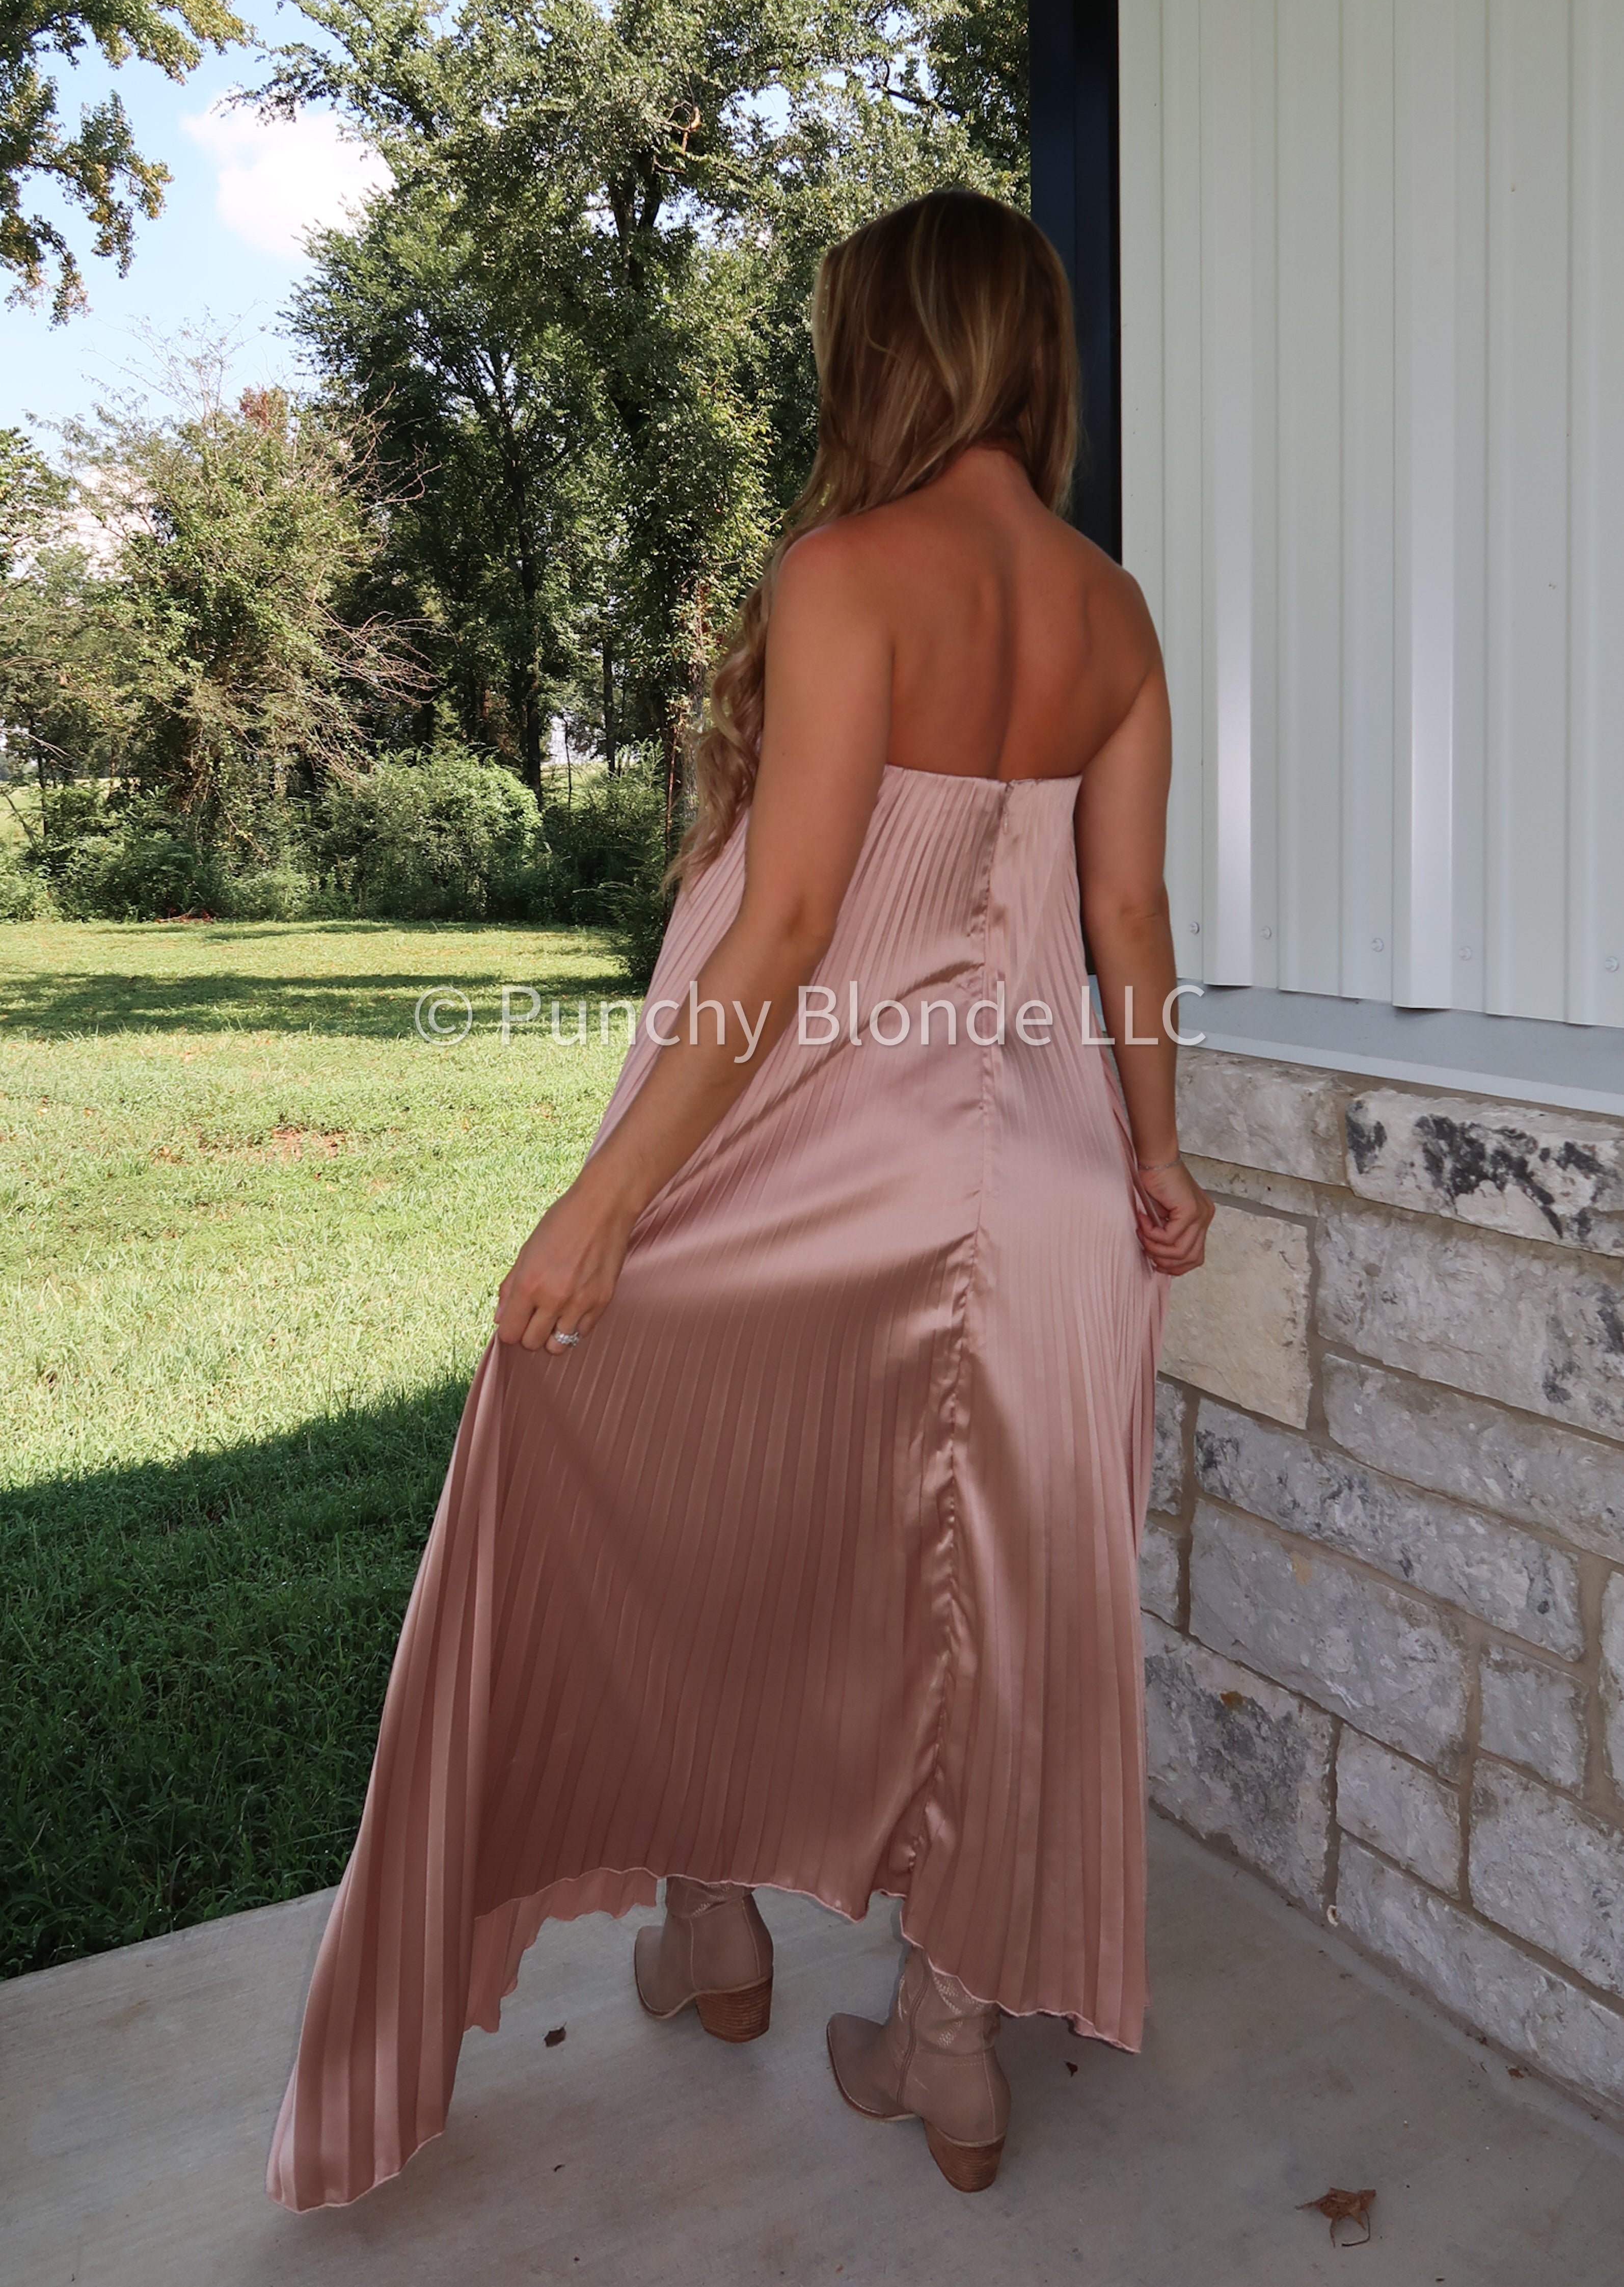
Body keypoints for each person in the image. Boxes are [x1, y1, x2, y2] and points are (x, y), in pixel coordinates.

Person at [266, 187, 1212, 2213]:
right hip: (1049, 1188)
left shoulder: (845, 570)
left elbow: (786, 926)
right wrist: (1155, 1151)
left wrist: (603, 1201)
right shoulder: (1113, 609)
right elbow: (1127, 916)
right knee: (1006, 1600)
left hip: (825, 1161)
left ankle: (711, 1914)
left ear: (891, 350)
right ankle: (947, 2040)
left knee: (673, 1490)